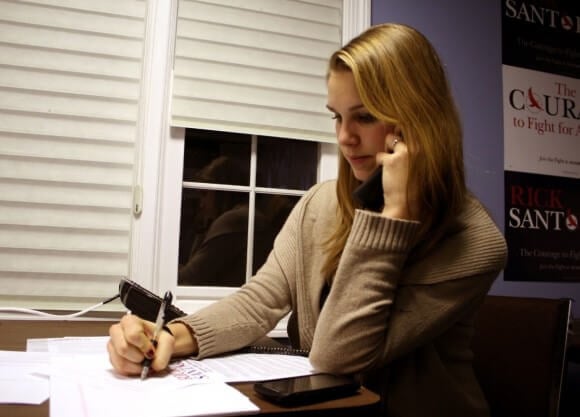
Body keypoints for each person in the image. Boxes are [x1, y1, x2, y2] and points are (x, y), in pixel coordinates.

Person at [108, 23, 507, 417]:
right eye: (337, 116)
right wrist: (170, 336)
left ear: (417, 123)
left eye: (364, 116)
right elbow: (258, 303)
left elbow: (339, 354)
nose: (345, 137)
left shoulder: (476, 243)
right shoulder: (320, 204)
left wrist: (392, 216)